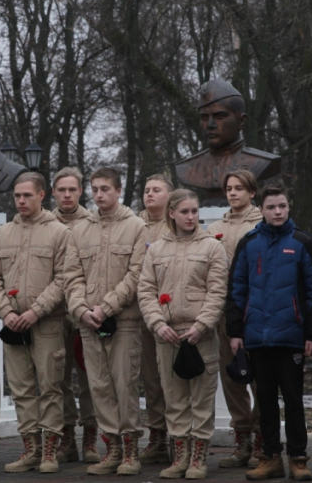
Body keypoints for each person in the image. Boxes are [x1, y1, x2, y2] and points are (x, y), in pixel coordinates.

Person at [227, 186, 312, 481]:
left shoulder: (303, 242)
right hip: (257, 337)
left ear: (288, 207)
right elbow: (236, 290)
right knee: (264, 401)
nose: (277, 211)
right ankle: (270, 458)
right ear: (262, 210)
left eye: (282, 206)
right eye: (271, 207)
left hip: (291, 336)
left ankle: (298, 459)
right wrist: (235, 332)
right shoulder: (249, 243)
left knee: (293, 400)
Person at [0, 172, 70, 474]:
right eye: (17, 195)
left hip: (47, 324)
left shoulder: (59, 232)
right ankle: (30, 449)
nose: (20, 200)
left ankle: (49, 452)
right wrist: (6, 312)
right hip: (12, 325)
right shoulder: (3, 234)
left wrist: (36, 311)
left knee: (49, 388)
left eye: (27, 195)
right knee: (20, 389)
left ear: (42, 194)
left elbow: (64, 279)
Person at [137, 189, 226, 479]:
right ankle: (180, 456)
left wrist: (201, 325)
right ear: (171, 213)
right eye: (185, 212)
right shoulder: (157, 250)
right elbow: (146, 291)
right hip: (167, 336)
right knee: (173, 399)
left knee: (201, 398)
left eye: (194, 211)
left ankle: (198, 457)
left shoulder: (212, 247)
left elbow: (217, 292)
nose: (191, 217)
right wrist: (157, 323)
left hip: (200, 336)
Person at [64, 167, 148, 475]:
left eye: (105, 189)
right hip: (88, 323)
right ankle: (111, 448)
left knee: (125, 385)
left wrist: (107, 307)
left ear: (118, 190)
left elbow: (137, 275)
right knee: (99, 387)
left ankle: (130, 451)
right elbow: (70, 275)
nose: (98, 194)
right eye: (95, 189)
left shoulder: (136, 226)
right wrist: (81, 309)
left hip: (123, 321)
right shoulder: (79, 230)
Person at [206, 170, 264, 468]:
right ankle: (242, 440)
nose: (233, 193)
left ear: (252, 192)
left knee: (258, 374)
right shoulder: (214, 227)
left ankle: (261, 437)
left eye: (239, 188)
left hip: (255, 310)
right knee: (232, 374)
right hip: (223, 311)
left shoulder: (262, 223)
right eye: (229, 188)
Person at [50, 167, 98, 464]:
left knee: (90, 377)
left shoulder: (92, 222)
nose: (67, 195)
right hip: (53, 313)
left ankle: (91, 438)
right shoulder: (45, 223)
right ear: (53, 193)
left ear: (81, 192)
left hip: (85, 312)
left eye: (72, 190)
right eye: (61, 190)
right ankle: (66, 438)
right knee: (59, 379)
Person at [137, 174, 173, 465]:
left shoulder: (175, 225)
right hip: (141, 313)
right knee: (150, 380)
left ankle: (179, 436)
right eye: (147, 190)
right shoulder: (134, 227)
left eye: (156, 190)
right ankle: (157, 436)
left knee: (173, 378)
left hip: (173, 314)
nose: (150, 194)